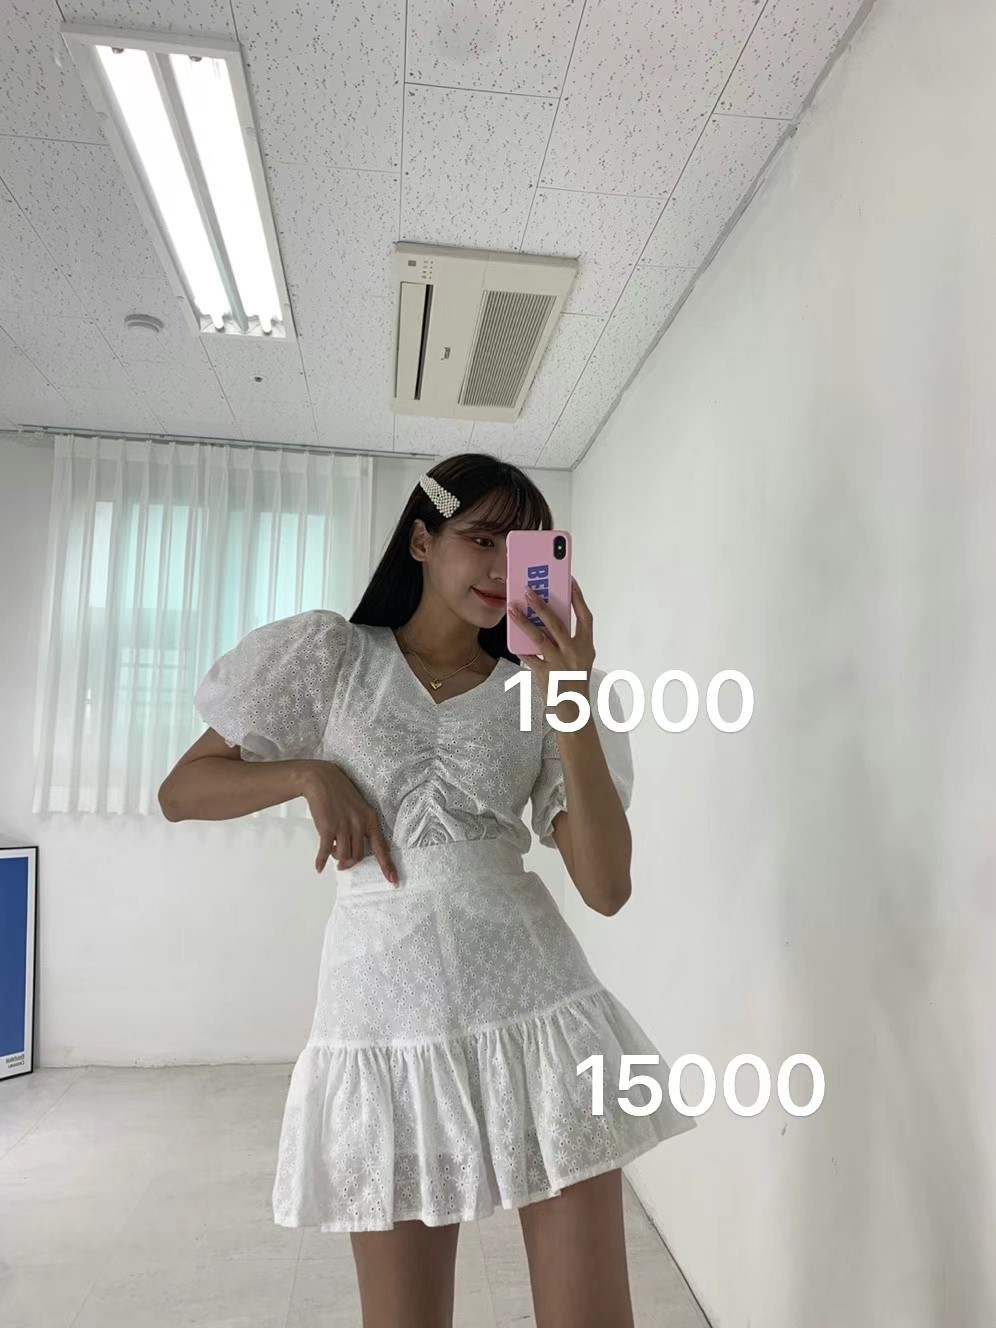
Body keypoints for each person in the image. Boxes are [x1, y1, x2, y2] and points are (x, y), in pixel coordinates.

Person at [158, 452, 696, 1328]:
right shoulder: (332, 657)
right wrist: (307, 774)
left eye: (522, 549)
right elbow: (182, 791)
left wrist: (569, 694)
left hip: (539, 1012)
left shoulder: (542, 693)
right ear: (420, 539)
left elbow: (606, 887)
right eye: (480, 540)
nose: (501, 568)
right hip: (384, 1023)